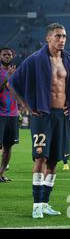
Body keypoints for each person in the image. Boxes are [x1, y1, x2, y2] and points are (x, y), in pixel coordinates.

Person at [9, 22, 70, 218]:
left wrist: (69, 103)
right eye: (58, 36)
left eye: (64, 36)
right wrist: (26, 107)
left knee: (53, 161)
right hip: (42, 115)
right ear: (48, 38)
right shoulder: (35, 60)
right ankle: (36, 205)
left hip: (61, 116)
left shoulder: (69, 61)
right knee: (40, 158)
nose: (62, 40)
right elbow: (12, 83)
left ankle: (45, 203)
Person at [0, 48, 19, 183]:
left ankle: (1, 174)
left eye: (9, 54)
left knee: (8, 146)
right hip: (0, 114)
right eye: (4, 54)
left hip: (12, 114)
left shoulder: (16, 73)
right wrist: (7, 77)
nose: (7, 56)